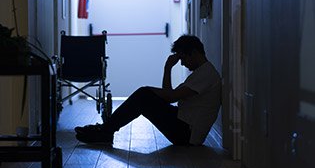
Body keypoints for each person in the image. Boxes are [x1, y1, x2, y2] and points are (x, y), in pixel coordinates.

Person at [75, 35, 221, 146]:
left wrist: (148, 90)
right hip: (184, 126)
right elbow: (168, 95)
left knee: (144, 94)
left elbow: (170, 97)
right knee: (144, 95)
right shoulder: (201, 73)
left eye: (183, 58)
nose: (182, 63)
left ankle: (105, 131)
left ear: (194, 53)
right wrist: (167, 69)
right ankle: (106, 130)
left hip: (188, 134)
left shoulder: (206, 74)